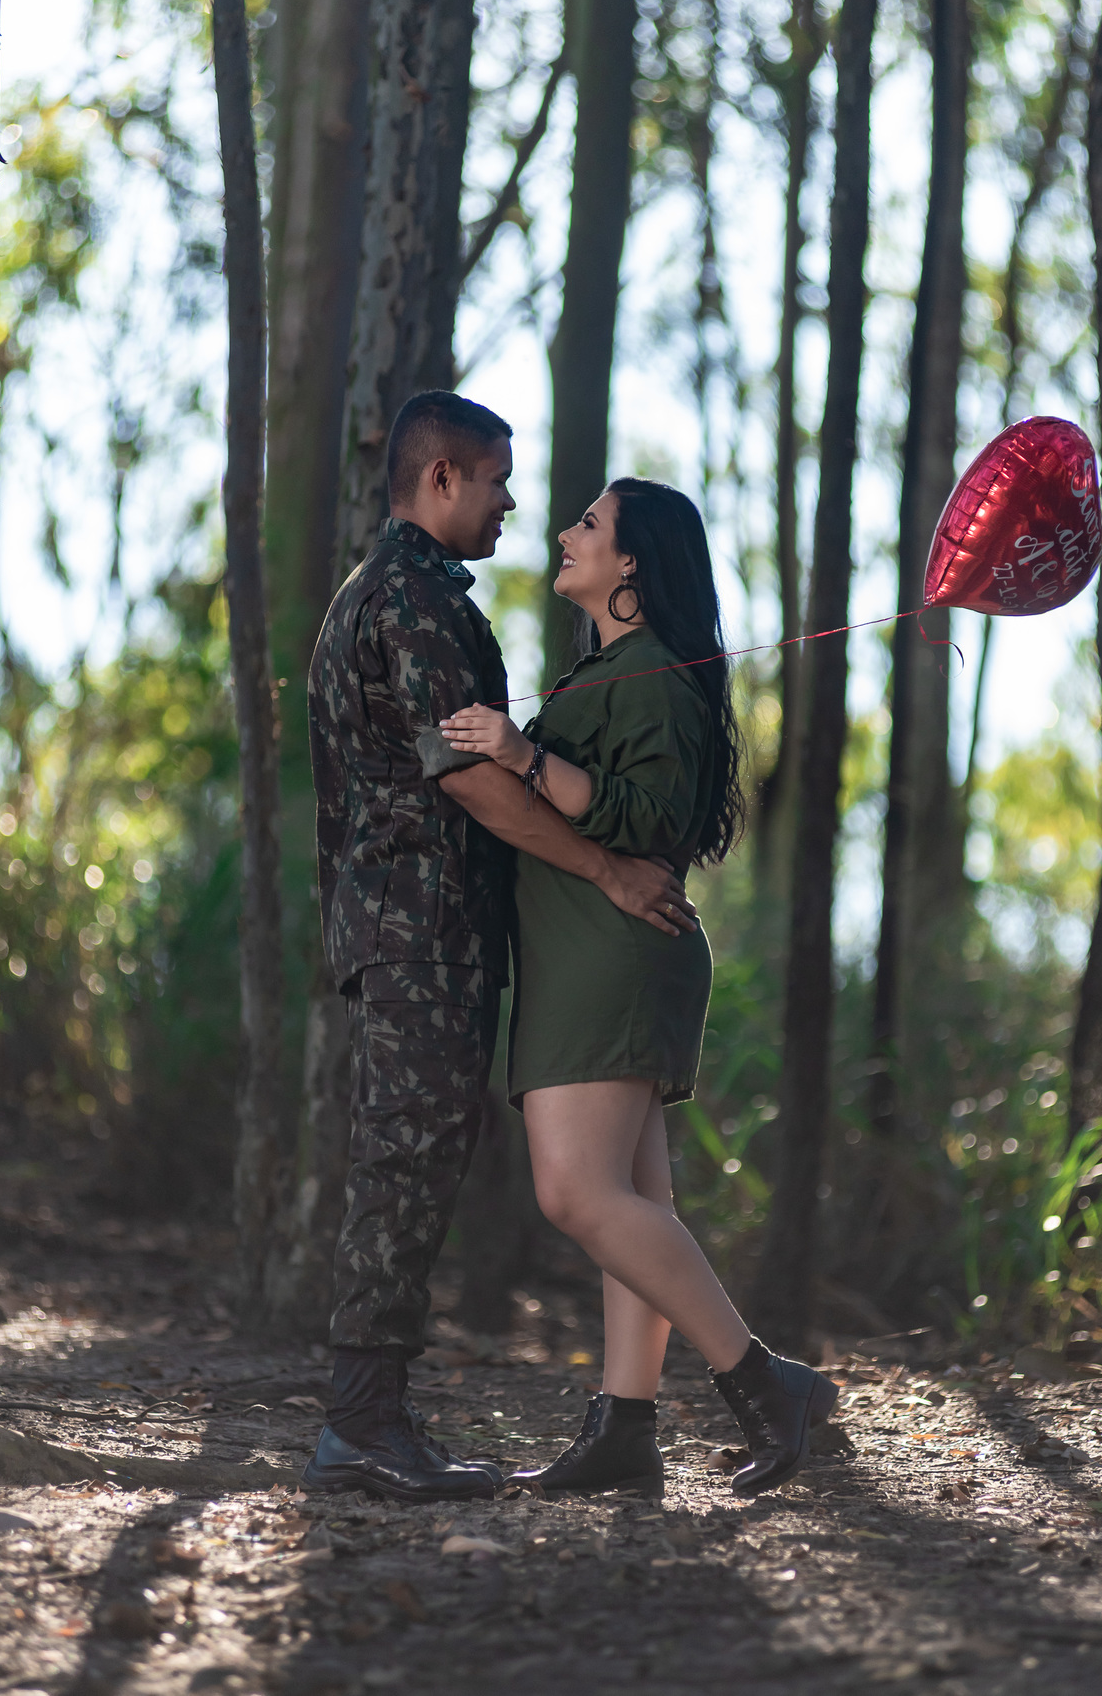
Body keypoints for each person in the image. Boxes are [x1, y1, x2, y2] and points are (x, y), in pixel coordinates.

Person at [302, 395, 698, 1504]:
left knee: (417, 1158)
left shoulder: (411, 593)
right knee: (406, 1160)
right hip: (416, 930)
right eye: (495, 481)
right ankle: (361, 1426)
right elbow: (470, 774)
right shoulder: (412, 601)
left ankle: (374, 1420)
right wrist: (609, 869)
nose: (515, 504)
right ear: (440, 481)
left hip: (425, 931)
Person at [440, 478, 839, 1499]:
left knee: (576, 1192)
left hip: (613, 951)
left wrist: (521, 752)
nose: (564, 533)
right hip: (591, 947)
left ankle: (762, 1379)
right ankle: (625, 1424)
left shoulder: (655, 669)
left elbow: (643, 814)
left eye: (589, 525)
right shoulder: (614, 667)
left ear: (630, 565)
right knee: (636, 1198)